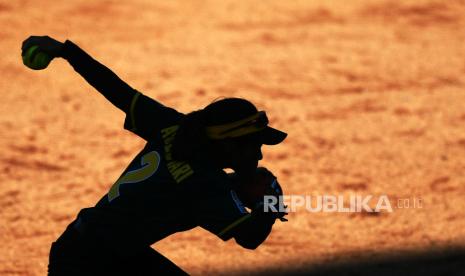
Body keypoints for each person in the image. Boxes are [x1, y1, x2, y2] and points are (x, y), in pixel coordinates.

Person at [21, 35, 288, 275]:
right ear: (229, 144)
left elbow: (116, 90)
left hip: (92, 248)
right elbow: (249, 237)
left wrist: (65, 51)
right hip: (90, 264)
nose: (260, 155)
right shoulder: (207, 185)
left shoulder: (175, 128)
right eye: (254, 145)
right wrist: (271, 201)